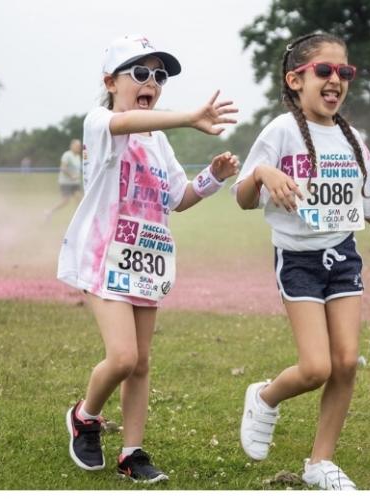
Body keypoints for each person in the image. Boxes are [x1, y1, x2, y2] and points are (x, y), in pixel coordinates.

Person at [57, 34, 239, 483]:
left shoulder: (158, 140)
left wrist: (213, 179)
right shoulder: (100, 123)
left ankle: (132, 453)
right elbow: (128, 123)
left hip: (146, 260)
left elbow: (179, 197)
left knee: (140, 363)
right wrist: (191, 117)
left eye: (158, 76)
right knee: (121, 357)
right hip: (104, 259)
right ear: (111, 81)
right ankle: (84, 416)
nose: (152, 82)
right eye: (139, 72)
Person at [232, 32, 370, 490]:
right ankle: (265, 397)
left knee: (346, 362)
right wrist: (262, 173)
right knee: (316, 368)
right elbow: (242, 198)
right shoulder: (279, 131)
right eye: (324, 71)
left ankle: (320, 463)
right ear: (295, 80)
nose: (336, 80)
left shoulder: (354, 141)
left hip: (344, 259)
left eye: (344, 72)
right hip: (298, 261)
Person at [44, 139, 83, 220]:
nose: (79, 148)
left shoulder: (78, 156)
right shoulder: (67, 155)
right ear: (72, 146)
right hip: (66, 182)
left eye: (79, 146)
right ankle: (49, 212)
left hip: (75, 182)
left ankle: (80, 218)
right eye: (77, 146)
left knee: (80, 199)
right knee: (65, 201)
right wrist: (71, 176)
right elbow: (63, 168)